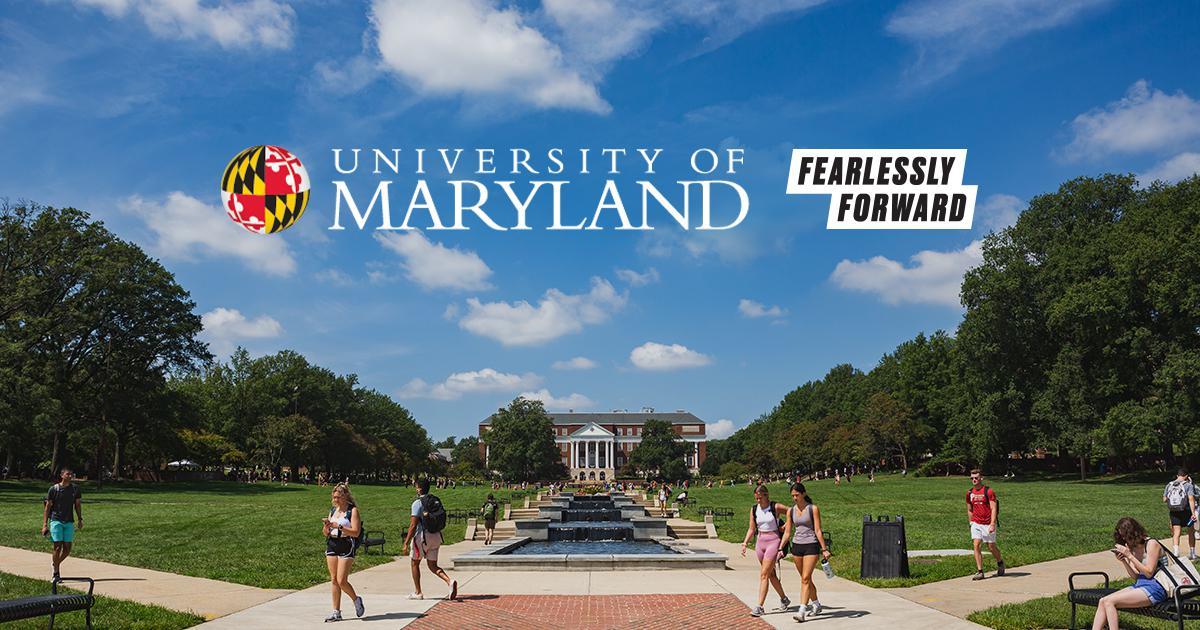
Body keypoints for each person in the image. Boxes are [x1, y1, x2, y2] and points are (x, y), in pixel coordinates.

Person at [1091, 517, 1165, 630]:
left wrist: (1130, 555)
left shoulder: (1151, 544)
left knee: (1110, 602)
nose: (1125, 539)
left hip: (1157, 588)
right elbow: (1136, 576)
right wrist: (1124, 560)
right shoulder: (1133, 548)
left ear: (1134, 532)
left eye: (1126, 535)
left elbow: (1149, 572)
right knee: (1103, 601)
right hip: (1141, 585)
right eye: (1122, 537)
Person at [782, 482, 832, 622]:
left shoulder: (813, 509)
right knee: (806, 579)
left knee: (805, 579)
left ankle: (802, 611)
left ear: (803, 493)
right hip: (797, 546)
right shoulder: (790, 511)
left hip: (811, 545)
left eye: (797, 495)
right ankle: (816, 604)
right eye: (792, 496)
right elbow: (787, 532)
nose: (795, 498)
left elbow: (818, 530)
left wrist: (824, 549)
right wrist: (780, 548)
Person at [402, 478, 456, 601]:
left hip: (422, 536)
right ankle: (449, 581)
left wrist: (406, 542)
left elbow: (413, 525)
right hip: (436, 536)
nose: (415, 489)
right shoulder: (434, 501)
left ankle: (418, 592)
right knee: (433, 566)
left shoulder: (417, 503)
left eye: (416, 486)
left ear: (419, 488)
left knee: (414, 563)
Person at [741, 484, 790, 617]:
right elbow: (751, 528)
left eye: (760, 498)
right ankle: (784, 599)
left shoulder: (775, 507)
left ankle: (760, 606)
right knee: (770, 575)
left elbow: (792, 512)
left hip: (773, 541)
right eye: (756, 498)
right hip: (760, 542)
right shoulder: (754, 509)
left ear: (766, 495)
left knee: (763, 575)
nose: (758, 501)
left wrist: (786, 525)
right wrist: (745, 542)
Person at [321, 483, 364, 622]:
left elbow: (356, 532)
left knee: (341, 580)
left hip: (346, 544)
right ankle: (336, 611)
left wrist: (339, 526)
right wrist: (327, 527)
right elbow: (325, 532)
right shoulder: (333, 510)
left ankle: (356, 600)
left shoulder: (353, 511)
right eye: (334, 497)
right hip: (332, 544)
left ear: (345, 496)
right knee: (333, 579)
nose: (335, 500)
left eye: (338, 497)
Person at [41, 468, 83, 581]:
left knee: (67, 548)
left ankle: (56, 563)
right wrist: (45, 524)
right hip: (56, 520)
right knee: (57, 547)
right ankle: (56, 573)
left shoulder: (75, 489)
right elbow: (47, 507)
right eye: (67, 474)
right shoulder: (54, 489)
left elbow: (77, 505)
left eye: (71, 474)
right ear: (62, 475)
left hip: (69, 521)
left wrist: (80, 519)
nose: (70, 475)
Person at [967, 469, 1005, 580]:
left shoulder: (988, 491)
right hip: (976, 523)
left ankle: (1000, 562)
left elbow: (993, 508)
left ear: (981, 478)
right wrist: (971, 522)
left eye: (976, 478)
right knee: (976, 545)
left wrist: (992, 523)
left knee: (991, 547)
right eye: (972, 478)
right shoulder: (969, 493)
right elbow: (969, 509)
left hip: (988, 523)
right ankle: (980, 571)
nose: (974, 480)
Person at [1162, 468, 1197, 559]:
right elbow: (1191, 499)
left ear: (1177, 475)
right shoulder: (1188, 485)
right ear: (1186, 476)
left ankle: (1176, 553)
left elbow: (1164, 499)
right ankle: (1192, 553)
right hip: (1186, 511)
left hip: (1174, 512)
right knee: (1191, 532)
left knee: (1176, 532)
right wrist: (1193, 513)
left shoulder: (1169, 485)